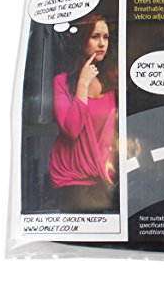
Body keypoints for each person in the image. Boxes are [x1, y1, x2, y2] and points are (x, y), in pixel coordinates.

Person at [49, 13, 118, 213]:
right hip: (71, 177)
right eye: (95, 36)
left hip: (104, 178)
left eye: (106, 37)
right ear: (82, 40)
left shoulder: (111, 82)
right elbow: (71, 130)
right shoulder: (62, 82)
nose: (102, 43)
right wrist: (82, 83)